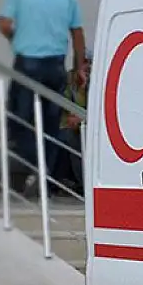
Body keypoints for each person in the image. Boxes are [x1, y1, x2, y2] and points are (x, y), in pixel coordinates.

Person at [0, 0, 87, 198]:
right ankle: (45, 173)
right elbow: (77, 33)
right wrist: (79, 66)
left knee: (20, 119)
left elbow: (4, 23)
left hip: (27, 63)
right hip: (55, 66)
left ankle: (32, 165)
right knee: (51, 123)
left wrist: (15, 38)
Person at [51, 48, 92, 197]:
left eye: (90, 62)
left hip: (89, 126)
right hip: (67, 125)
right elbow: (65, 106)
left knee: (79, 138)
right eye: (84, 62)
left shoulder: (96, 81)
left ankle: (84, 184)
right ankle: (82, 184)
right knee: (70, 137)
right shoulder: (68, 80)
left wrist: (84, 88)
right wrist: (79, 89)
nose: (87, 66)